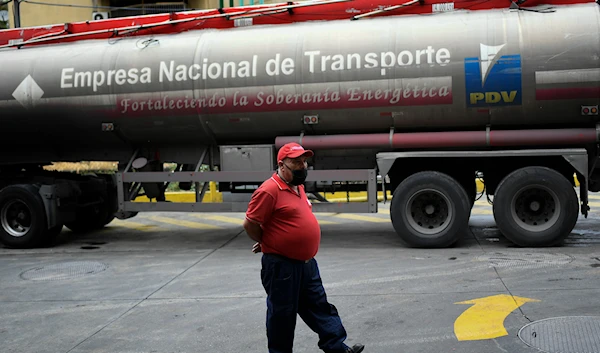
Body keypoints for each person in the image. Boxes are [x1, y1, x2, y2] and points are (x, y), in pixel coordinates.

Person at [243, 142, 365, 353]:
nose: (302, 166)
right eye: (296, 162)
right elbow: (250, 223)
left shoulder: (297, 186)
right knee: (282, 316)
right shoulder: (269, 190)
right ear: (282, 165)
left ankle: (337, 348)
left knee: (320, 308)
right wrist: (267, 241)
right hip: (282, 267)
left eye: (304, 161)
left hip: (307, 264)